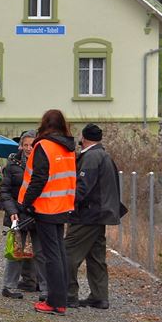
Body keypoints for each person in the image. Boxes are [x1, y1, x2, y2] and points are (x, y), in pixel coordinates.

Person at [19, 109, 77, 315]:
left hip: (46, 206)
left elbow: (39, 178)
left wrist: (26, 203)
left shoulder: (44, 146)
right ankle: (62, 298)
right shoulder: (68, 147)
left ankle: (55, 302)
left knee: (51, 255)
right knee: (59, 253)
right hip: (64, 205)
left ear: (44, 124)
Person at [66, 124, 123, 309]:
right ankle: (99, 296)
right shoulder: (104, 155)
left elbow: (82, 187)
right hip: (101, 214)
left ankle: (68, 295)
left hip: (87, 215)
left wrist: (68, 203)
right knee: (96, 256)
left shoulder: (90, 157)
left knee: (68, 254)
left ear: (83, 138)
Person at [0, 131, 43, 299]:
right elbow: (5, 191)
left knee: (41, 252)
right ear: (21, 146)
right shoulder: (12, 165)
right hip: (17, 214)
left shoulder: (42, 163)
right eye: (25, 145)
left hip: (37, 213)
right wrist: (12, 212)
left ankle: (44, 288)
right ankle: (9, 286)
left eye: (31, 145)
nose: (28, 148)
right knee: (16, 252)